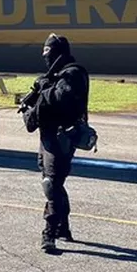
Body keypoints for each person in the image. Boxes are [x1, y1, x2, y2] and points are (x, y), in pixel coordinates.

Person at [21, 34, 90, 254]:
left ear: (58, 53)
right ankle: (63, 227)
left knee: (52, 183)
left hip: (62, 137)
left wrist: (43, 89)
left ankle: (49, 233)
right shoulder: (57, 75)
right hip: (48, 136)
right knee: (54, 182)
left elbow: (62, 98)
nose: (45, 57)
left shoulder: (73, 73)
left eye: (48, 53)